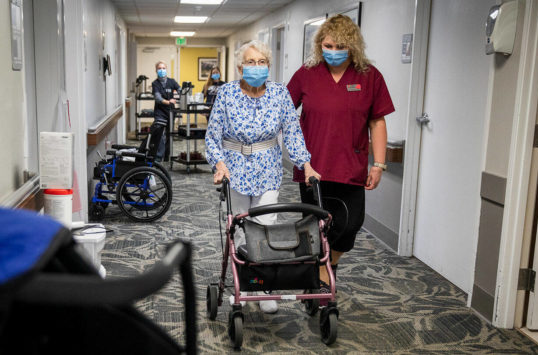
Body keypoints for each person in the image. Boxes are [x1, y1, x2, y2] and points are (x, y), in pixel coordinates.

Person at [205, 40, 320, 314]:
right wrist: (219, 164)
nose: (256, 67)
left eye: (261, 62)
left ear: (268, 66)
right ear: (239, 67)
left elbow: (292, 131)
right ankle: (246, 284)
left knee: (266, 227)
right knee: (242, 229)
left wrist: (307, 165)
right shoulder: (227, 93)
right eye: (250, 62)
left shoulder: (280, 94)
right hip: (234, 168)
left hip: (268, 167)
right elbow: (212, 135)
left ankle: (265, 286)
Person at [287, 14, 395, 301]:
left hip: (351, 166)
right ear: (320, 44)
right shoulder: (306, 73)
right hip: (312, 165)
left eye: (340, 46)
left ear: (353, 46)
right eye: (328, 45)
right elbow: (284, 112)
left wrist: (380, 164)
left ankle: (328, 265)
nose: (333, 51)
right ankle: (318, 276)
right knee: (312, 227)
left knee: (349, 224)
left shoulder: (369, 76)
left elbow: (377, 122)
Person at [149, 61, 180, 162]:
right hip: (160, 112)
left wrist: (179, 96)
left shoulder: (172, 81)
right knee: (160, 134)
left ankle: (167, 156)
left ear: (166, 69)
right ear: (156, 70)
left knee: (169, 134)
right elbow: (158, 98)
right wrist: (168, 101)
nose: (162, 70)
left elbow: (181, 90)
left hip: (170, 112)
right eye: (159, 68)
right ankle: (158, 157)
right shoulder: (155, 83)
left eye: (163, 68)